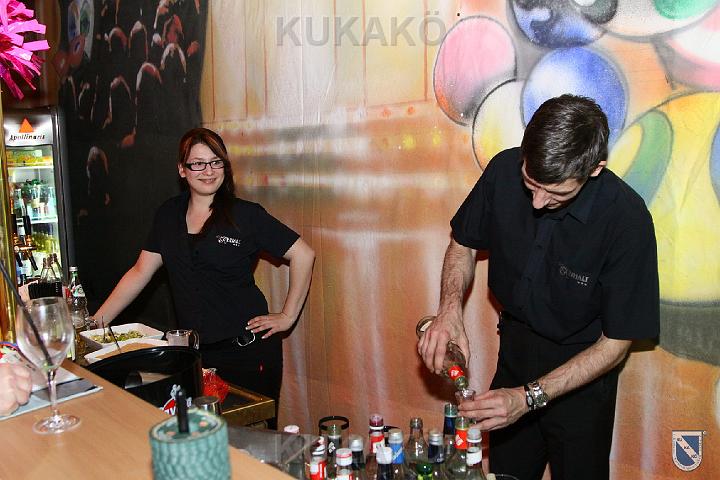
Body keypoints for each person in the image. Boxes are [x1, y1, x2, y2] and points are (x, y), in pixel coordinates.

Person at [418, 94, 659, 480]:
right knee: (505, 473)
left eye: (557, 193)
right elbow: (463, 244)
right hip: (514, 354)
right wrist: (449, 311)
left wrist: (529, 397)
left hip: (581, 376)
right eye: (530, 183)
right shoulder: (503, 170)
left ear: (594, 169)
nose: (537, 202)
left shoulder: (626, 221)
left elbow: (616, 344)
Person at [93, 127, 315, 425]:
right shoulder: (168, 215)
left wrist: (287, 316)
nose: (208, 171)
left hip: (247, 354)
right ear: (182, 169)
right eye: (197, 163)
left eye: (215, 162)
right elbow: (139, 272)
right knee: (201, 437)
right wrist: (94, 326)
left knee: (253, 437)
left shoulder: (246, 215)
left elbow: (303, 254)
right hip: (193, 358)